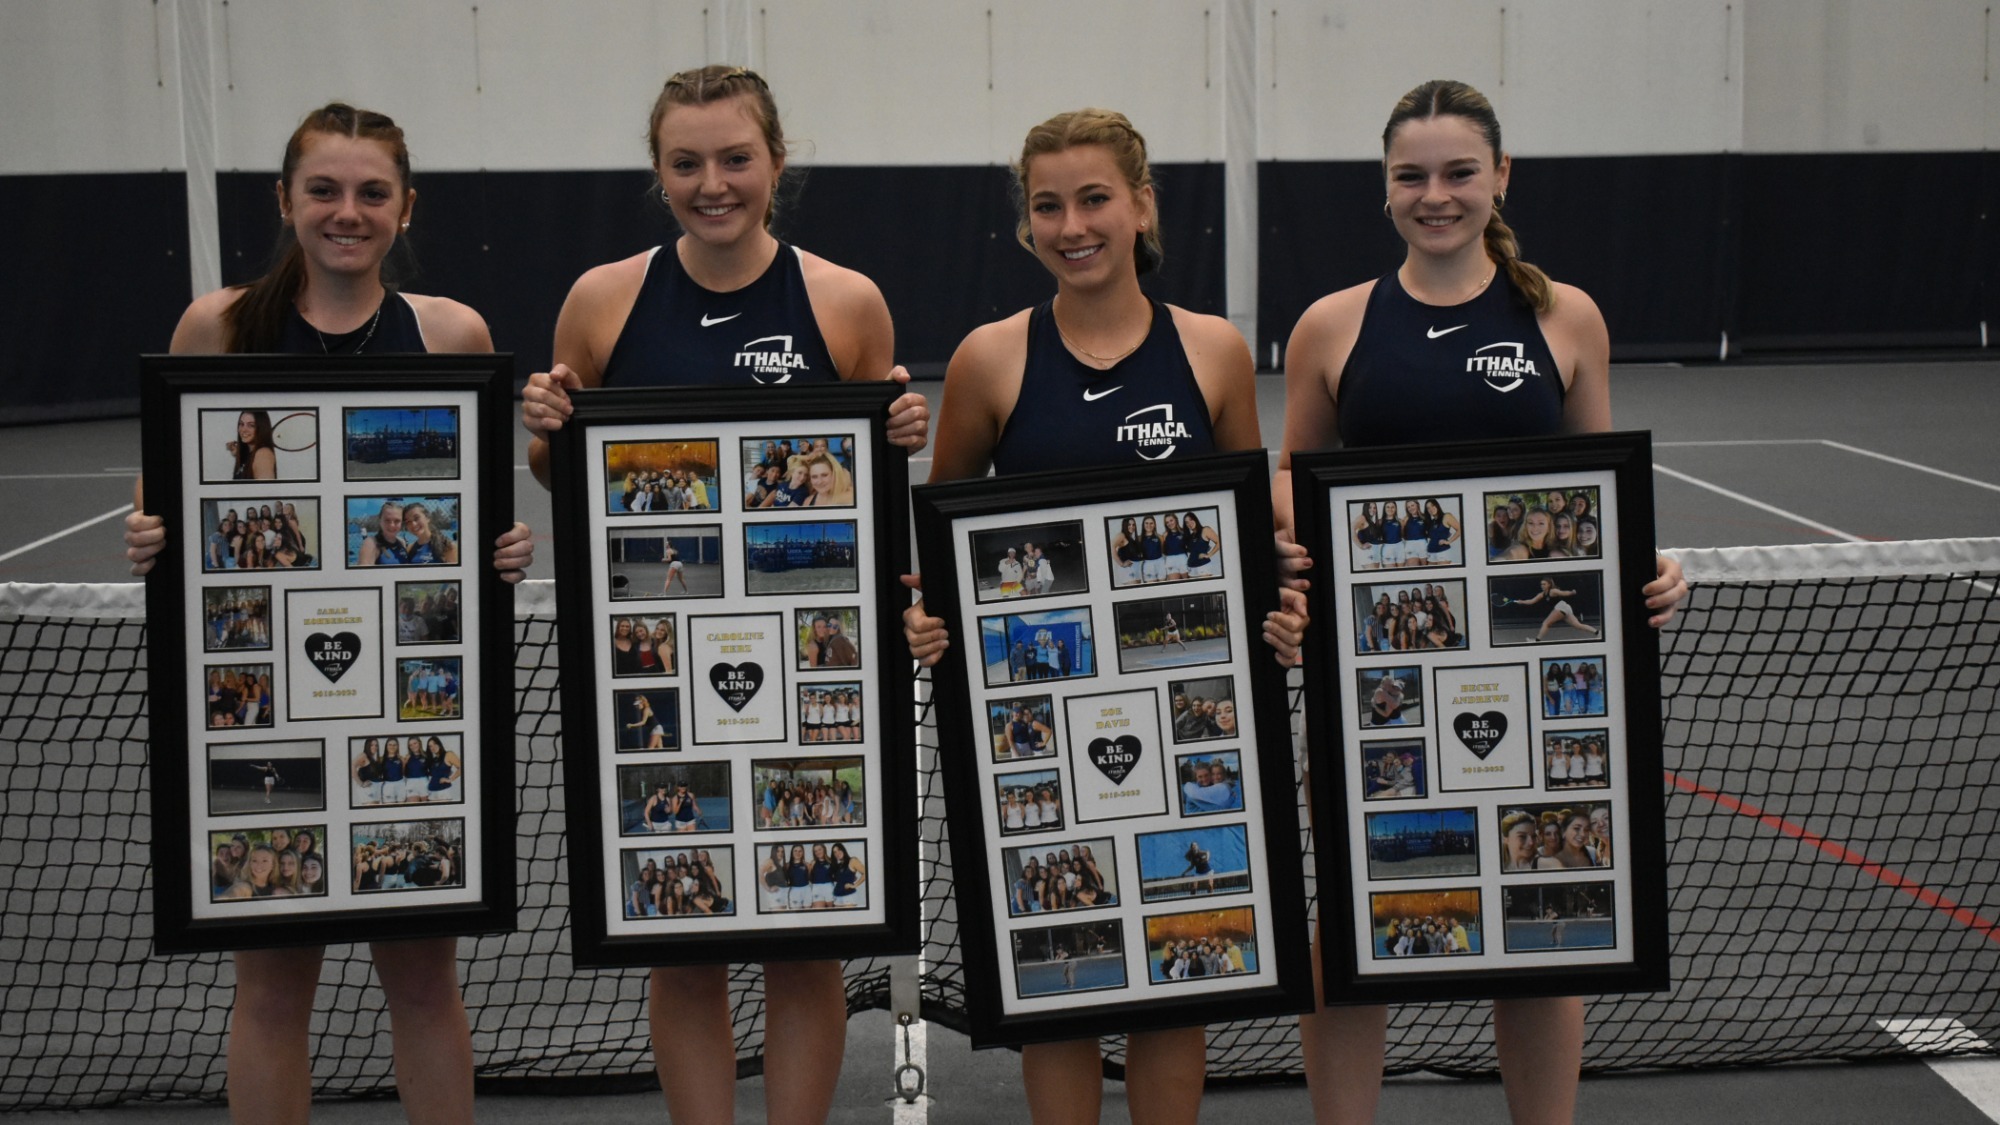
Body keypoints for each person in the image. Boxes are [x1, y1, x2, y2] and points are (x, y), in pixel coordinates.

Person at [513, 64, 931, 1125]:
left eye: (734, 158)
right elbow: (568, 481)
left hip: (810, 675)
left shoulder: (844, 302)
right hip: (654, 680)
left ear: (775, 164)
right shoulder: (602, 300)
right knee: (680, 946)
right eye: (686, 162)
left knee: (805, 946)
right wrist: (545, 435)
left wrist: (895, 438)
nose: (713, 183)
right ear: (659, 174)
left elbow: (870, 494)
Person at [1271, 80, 1687, 1125]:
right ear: (1384, 190)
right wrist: (1293, 540)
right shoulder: (1333, 325)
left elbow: (1598, 491)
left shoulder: (1562, 316)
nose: (1434, 195)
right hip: (1375, 685)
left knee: (1538, 915)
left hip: (1538, 681)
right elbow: (1291, 477)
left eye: (1458, 172)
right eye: (1410, 176)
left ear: (1499, 178)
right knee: (1356, 922)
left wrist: (1646, 564)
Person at [120, 102, 534, 1125]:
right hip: (264, 713)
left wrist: (503, 550)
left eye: (371, 193)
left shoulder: (450, 332)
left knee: (426, 982)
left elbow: (474, 512)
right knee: (269, 989)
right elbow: (168, 501)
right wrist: (148, 535)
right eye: (324, 190)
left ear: (404, 207)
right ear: (285, 200)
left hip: (412, 705)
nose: (346, 212)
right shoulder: (214, 326)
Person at [901, 108, 1306, 1125]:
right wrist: (930, 622)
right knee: (1064, 970)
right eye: (1047, 206)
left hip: (1187, 726)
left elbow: (1249, 541)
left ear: (1139, 207)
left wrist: (1280, 607)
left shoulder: (1211, 352)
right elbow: (941, 548)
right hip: (1034, 733)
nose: (1071, 224)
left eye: (1092, 200)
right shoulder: (990, 360)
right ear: (1026, 223)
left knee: (1177, 971)